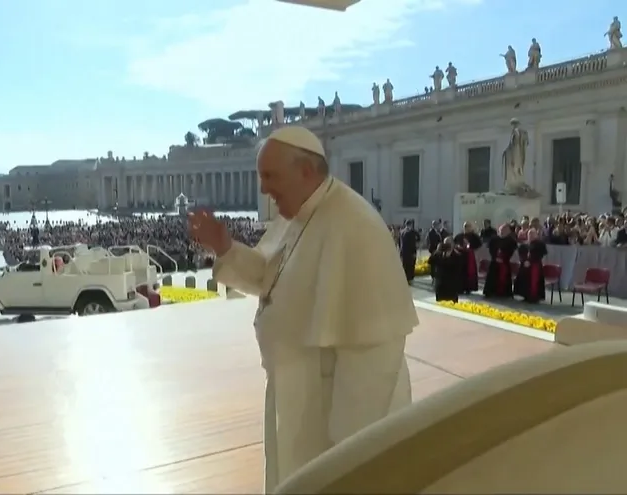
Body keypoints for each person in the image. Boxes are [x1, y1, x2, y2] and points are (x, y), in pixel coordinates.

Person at [189, 126, 416, 492]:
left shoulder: (354, 225)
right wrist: (225, 247)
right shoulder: (299, 216)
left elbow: (374, 354)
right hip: (297, 393)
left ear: (306, 171)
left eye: (270, 176)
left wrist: (348, 454)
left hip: (331, 415)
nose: (263, 189)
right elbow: (269, 277)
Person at [482, 224, 519, 298]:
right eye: (501, 230)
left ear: (508, 231)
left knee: (504, 278)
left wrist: (503, 258)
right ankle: (491, 292)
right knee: (492, 277)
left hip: (505, 262)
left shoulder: (511, 241)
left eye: (504, 230)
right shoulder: (493, 239)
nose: (502, 231)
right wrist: (495, 257)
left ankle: (504, 293)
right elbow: (490, 249)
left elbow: (511, 251)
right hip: (494, 261)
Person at [516, 230, 548, 303]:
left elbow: (540, 255)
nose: (531, 236)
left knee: (534, 281)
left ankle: (534, 296)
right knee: (525, 280)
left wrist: (530, 261)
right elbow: (521, 254)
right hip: (525, 265)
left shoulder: (540, 244)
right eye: (529, 234)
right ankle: (526, 295)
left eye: (532, 234)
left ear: (536, 235)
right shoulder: (525, 244)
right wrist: (524, 261)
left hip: (535, 265)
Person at [428, 237, 463, 302]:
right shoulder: (438, 253)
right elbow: (430, 261)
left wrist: (447, 257)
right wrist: (437, 251)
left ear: (453, 244)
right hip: (440, 284)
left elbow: (456, 269)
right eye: (445, 243)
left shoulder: (457, 255)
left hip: (451, 285)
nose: (447, 245)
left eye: (449, 243)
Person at [453, 222, 482, 294]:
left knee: (469, 272)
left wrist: (470, 247)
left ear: (471, 227)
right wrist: (457, 247)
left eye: (468, 226)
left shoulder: (474, 236)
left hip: (469, 257)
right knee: (460, 272)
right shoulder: (459, 235)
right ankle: (460, 287)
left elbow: (478, 244)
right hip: (460, 256)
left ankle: (469, 288)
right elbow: (454, 243)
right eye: (465, 226)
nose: (466, 228)